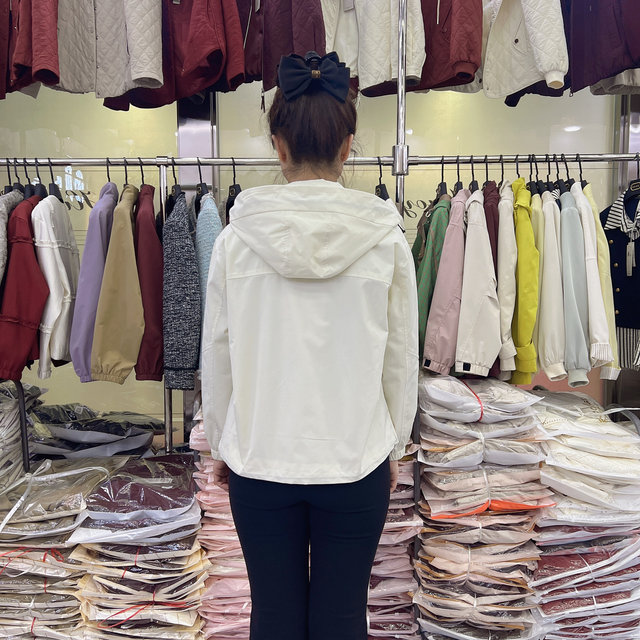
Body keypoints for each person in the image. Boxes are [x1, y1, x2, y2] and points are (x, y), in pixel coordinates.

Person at [201, 50, 419, 640]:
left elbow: (217, 355)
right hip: (354, 459)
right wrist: (395, 443)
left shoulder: (234, 242)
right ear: (348, 148)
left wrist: (221, 439)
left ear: (278, 147)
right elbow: (400, 359)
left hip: (260, 458)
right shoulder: (385, 241)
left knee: (272, 617)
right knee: (342, 618)